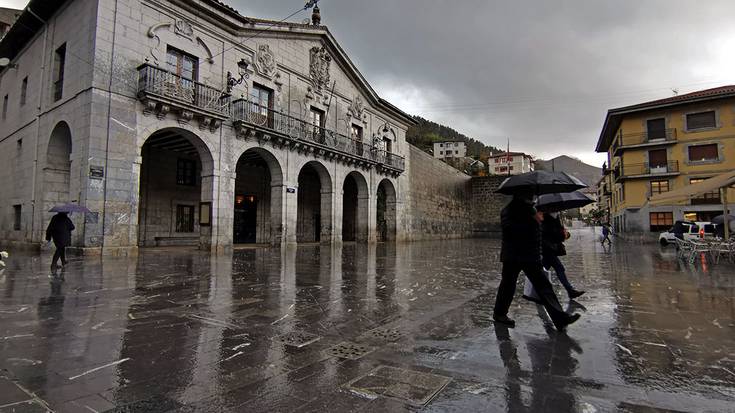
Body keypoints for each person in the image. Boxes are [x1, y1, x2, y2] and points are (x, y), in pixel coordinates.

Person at [493, 192, 581, 331]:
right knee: (508, 285)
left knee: (544, 286)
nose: (533, 196)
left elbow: (536, 233)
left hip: (529, 255)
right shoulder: (509, 211)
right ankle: (499, 314)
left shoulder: (532, 209)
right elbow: (511, 231)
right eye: (529, 193)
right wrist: (532, 220)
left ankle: (560, 319)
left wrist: (536, 221)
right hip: (514, 255)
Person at [540, 212, 585, 299]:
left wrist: (562, 232)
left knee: (542, 269)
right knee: (559, 268)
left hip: (547, 248)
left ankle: (536, 290)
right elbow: (551, 232)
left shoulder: (551, 215)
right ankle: (570, 291)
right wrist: (562, 233)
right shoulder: (549, 216)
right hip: (548, 248)